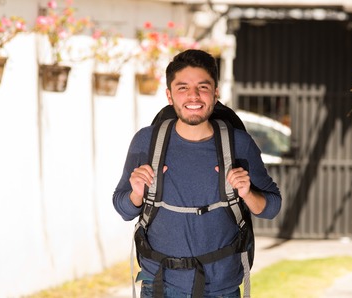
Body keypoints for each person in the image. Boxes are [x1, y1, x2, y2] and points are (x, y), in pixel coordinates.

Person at [113, 49, 282, 298]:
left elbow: (271, 207)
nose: (193, 96)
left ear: (215, 93)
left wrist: (247, 193)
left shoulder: (238, 144)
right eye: (183, 87)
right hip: (159, 285)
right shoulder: (147, 142)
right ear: (169, 95)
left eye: (203, 87)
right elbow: (123, 209)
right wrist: (137, 193)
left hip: (220, 288)